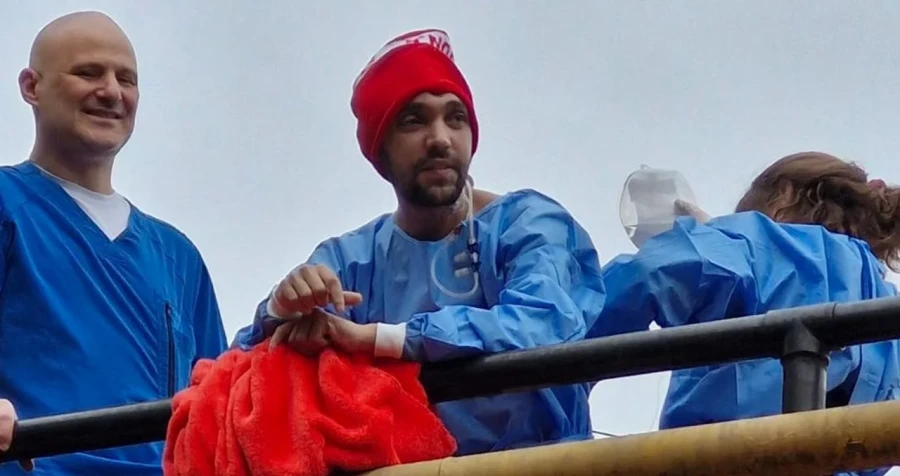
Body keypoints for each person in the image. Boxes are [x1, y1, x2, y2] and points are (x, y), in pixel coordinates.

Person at [232, 28, 606, 455]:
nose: (441, 139)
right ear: (380, 149)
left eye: (455, 117)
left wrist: (382, 339)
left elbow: (545, 323)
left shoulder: (530, 225)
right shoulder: (350, 261)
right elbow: (250, 370)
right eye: (414, 120)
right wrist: (279, 312)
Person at [0, 11, 228, 475]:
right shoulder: (7, 205)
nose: (111, 91)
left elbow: (220, 401)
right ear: (31, 87)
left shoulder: (177, 257)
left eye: (127, 79)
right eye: (88, 72)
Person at [590, 151, 900, 476]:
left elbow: (641, 278)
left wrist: (551, 407)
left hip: (725, 463)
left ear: (784, 193)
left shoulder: (758, 243)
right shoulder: (885, 314)